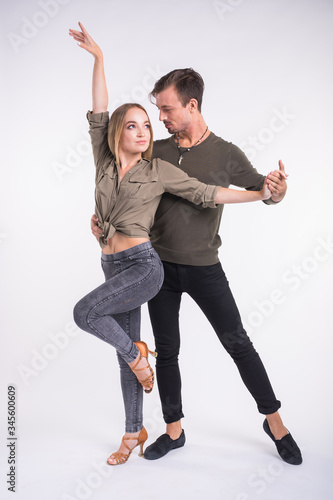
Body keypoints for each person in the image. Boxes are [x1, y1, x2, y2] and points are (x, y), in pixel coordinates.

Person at [69, 23, 273, 467]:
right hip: (127, 264)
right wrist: (99, 58)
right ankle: (149, 431)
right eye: (140, 123)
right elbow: (100, 113)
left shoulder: (189, 159)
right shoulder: (128, 157)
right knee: (150, 352)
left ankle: (274, 422)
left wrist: (263, 192)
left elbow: (209, 193)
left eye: (157, 117)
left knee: (233, 341)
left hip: (171, 265)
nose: (150, 127)